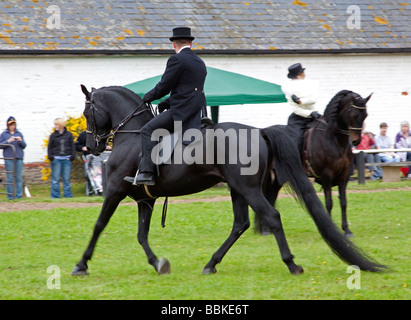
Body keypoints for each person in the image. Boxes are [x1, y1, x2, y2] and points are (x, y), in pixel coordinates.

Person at [125, 27, 207, 186]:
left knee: (147, 130)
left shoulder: (176, 59)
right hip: (196, 110)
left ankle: (146, 173)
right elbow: (186, 89)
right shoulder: (200, 62)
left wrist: (148, 97)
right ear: (190, 43)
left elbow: (165, 85)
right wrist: (166, 102)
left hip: (182, 111)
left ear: (174, 44)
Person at [281, 63, 321, 153]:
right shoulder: (289, 90)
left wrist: (300, 101)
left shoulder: (311, 84)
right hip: (298, 119)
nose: (304, 73)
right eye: (302, 72)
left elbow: (313, 99)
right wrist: (309, 113)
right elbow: (296, 109)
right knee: (296, 140)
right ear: (297, 76)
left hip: (314, 115)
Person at [47, 118, 76, 198]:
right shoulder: (53, 136)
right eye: (55, 124)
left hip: (67, 159)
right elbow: (50, 147)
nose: (55, 126)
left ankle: (68, 195)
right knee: (55, 179)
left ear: (61, 125)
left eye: (56, 124)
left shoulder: (69, 135)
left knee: (66, 179)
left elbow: (72, 146)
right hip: (56, 159)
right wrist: (51, 157)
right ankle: (55, 196)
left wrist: (72, 157)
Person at [0, 116, 26, 199]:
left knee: (18, 177)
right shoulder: (4, 134)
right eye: (10, 125)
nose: (12, 126)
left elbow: (24, 145)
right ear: (8, 125)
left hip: (18, 157)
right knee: (10, 177)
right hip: (9, 158)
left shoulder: (19, 133)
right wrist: (8, 141)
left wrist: (20, 140)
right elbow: (0, 145)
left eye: (13, 124)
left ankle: (19, 196)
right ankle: (10, 196)